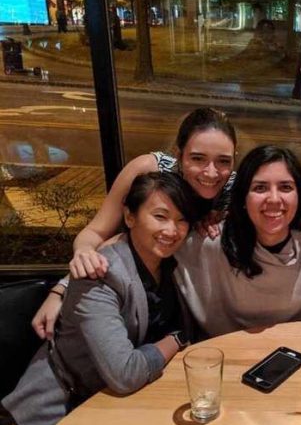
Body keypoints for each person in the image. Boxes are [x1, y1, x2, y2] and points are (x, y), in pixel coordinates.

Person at [0, 173, 198, 425]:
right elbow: (124, 373)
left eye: (182, 220)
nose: (172, 230)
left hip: (123, 405)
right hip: (62, 410)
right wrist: (176, 340)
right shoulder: (100, 274)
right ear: (129, 217)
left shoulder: (170, 265)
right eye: (160, 216)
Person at [32, 107, 237, 340]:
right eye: (198, 158)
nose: (211, 172)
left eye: (223, 161)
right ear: (179, 155)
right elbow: (98, 233)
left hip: (182, 285)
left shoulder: (233, 188)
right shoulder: (149, 170)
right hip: (132, 274)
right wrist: (62, 288)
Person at [174, 145, 301, 336]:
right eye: (260, 188)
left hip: (294, 351)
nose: (274, 199)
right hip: (228, 355)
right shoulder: (211, 242)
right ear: (243, 197)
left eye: (285, 187)